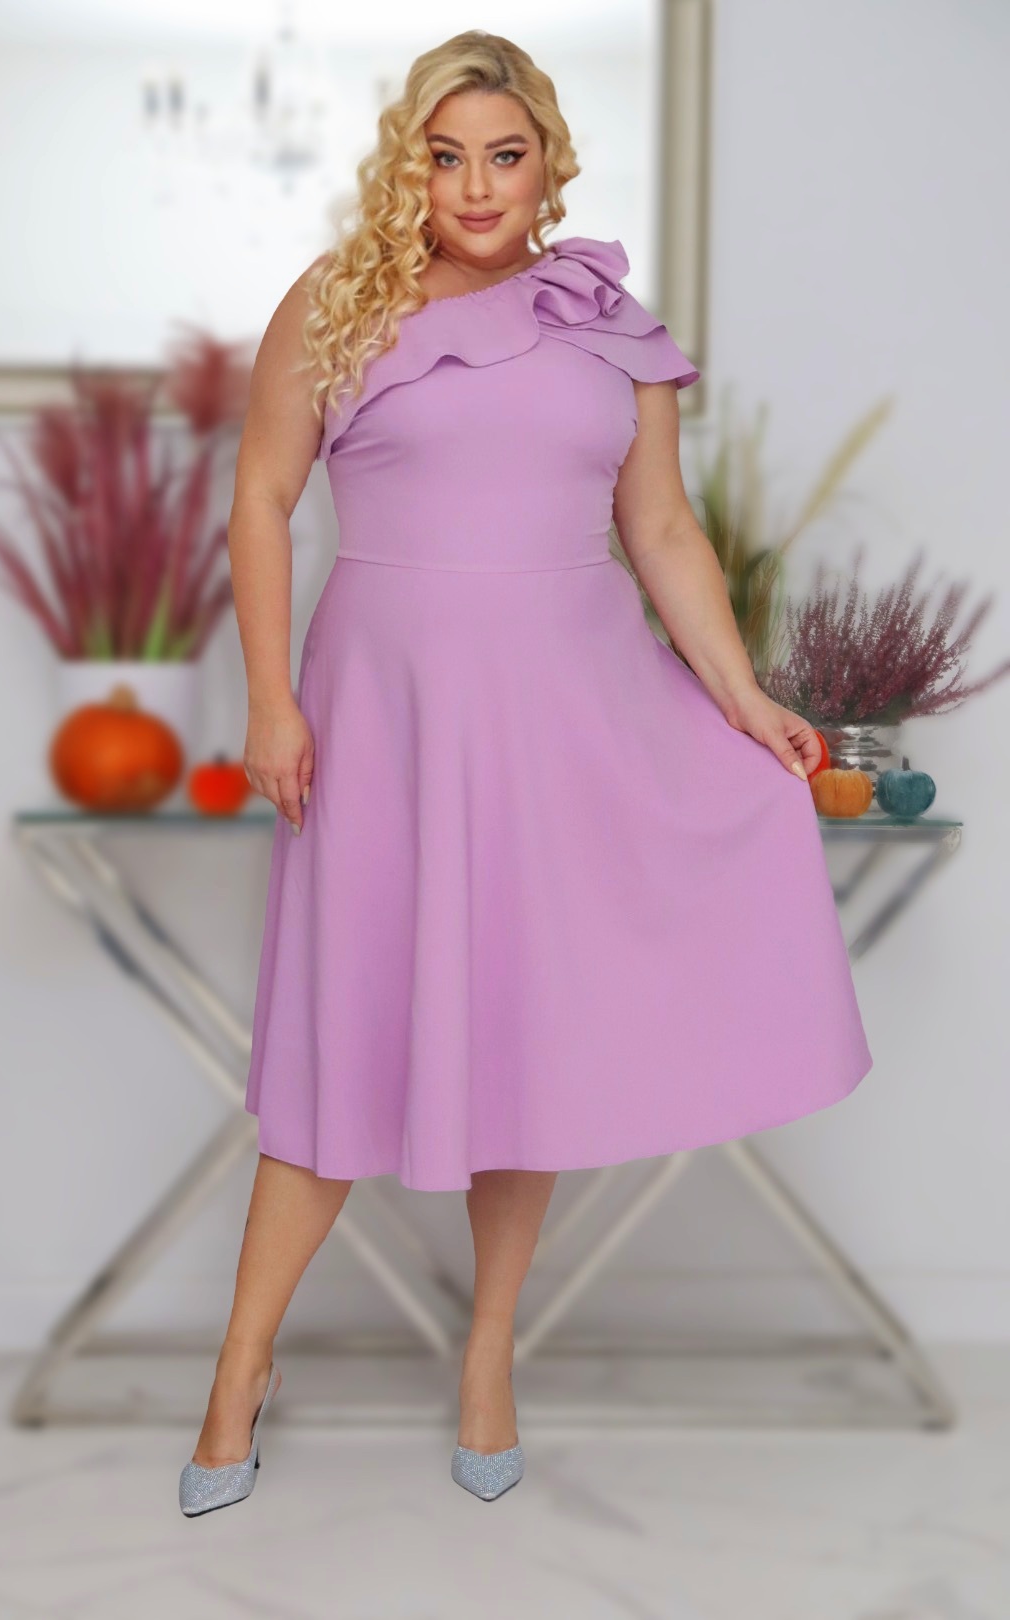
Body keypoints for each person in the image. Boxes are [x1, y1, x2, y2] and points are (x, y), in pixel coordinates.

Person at [179, 29, 873, 1514]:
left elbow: (663, 531)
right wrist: (269, 698)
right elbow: (260, 497)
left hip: (569, 715)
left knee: (521, 1044)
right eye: (447, 157)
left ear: (549, 162)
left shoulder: (606, 322)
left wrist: (747, 700)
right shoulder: (339, 300)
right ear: (410, 167)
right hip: (385, 714)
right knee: (338, 1042)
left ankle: (488, 1354)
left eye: (505, 154)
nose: (477, 185)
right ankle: (240, 1367)